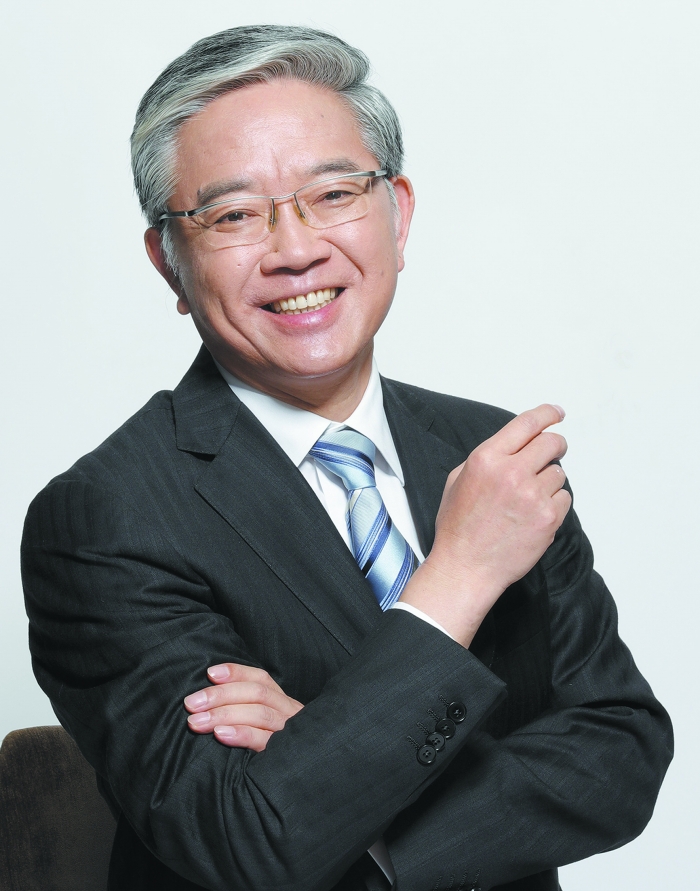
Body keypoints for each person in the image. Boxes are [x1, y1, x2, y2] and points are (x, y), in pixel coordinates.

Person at [21, 24, 672, 891]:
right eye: (233, 214)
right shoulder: (106, 517)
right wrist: (459, 575)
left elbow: (623, 751)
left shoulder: (490, 454)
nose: (295, 250)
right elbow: (248, 838)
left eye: (333, 194)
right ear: (168, 262)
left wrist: (328, 758)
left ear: (398, 215)